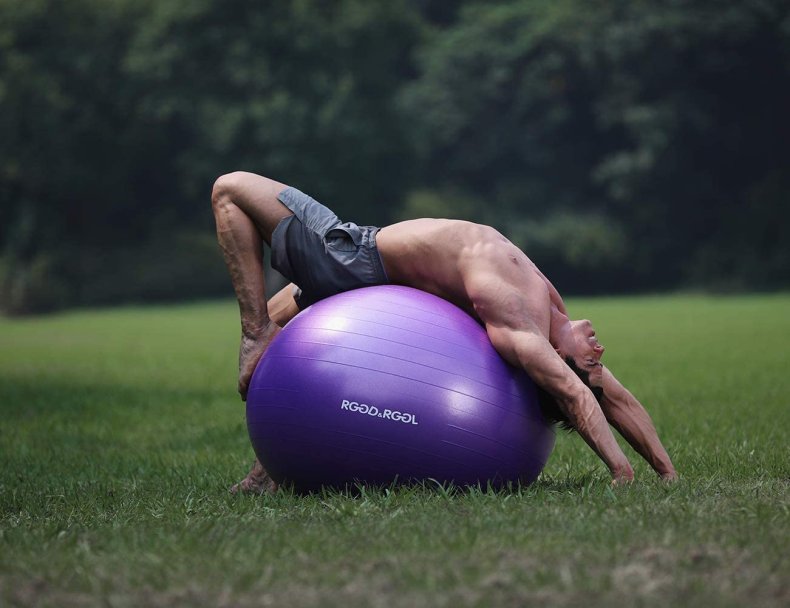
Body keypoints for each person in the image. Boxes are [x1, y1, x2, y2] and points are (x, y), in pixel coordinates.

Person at [212, 171, 678, 493]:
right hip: (375, 278)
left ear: (564, 361)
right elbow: (615, 400)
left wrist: (621, 472)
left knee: (230, 189)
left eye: (592, 360)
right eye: (598, 359)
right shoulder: (551, 314)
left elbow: (578, 396)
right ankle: (266, 469)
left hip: (355, 261)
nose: (600, 350)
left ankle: (254, 334)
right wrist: (666, 472)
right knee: (276, 330)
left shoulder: (524, 330)